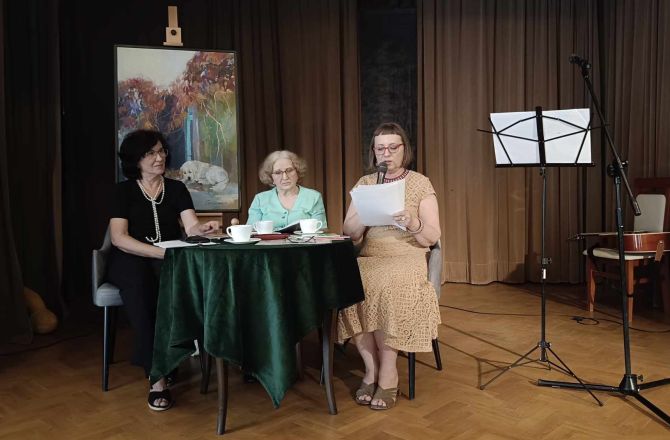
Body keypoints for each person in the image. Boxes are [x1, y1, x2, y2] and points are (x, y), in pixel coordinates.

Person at [107, 129, 219, 411]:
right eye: (150, 153)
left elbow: (191, 227)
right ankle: (157, 378)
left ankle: (171, 359)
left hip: (167, 258)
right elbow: (119, 238)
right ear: (136, 159)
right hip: (130, 258)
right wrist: (161, 253)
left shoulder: (177, 189)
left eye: (161, 151)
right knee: (141, 288)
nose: (159, 158)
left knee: (173, 288)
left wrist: (203, 229)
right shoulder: (123, 191)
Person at [337, 122, 441, 410]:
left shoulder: (420, 183)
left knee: (388, 286)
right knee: (350, 285)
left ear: (404, 150)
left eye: (393, 147)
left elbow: (432, 237)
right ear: (373, 152)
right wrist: (364, 214)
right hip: (371, 255)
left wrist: (413, 222)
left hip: (407, 255)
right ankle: (370, 370)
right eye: (380, 148)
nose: (386, 153)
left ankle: (388, 373)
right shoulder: (365, 183)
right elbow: (350, 234)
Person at [246, 150, 327, 230]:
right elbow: (252, 231)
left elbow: (321, 231)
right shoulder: (260, 199)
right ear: (271, 177)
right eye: (278, 172)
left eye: (289, 170)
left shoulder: (314, 197)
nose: (285, 177)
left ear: (297, 172)